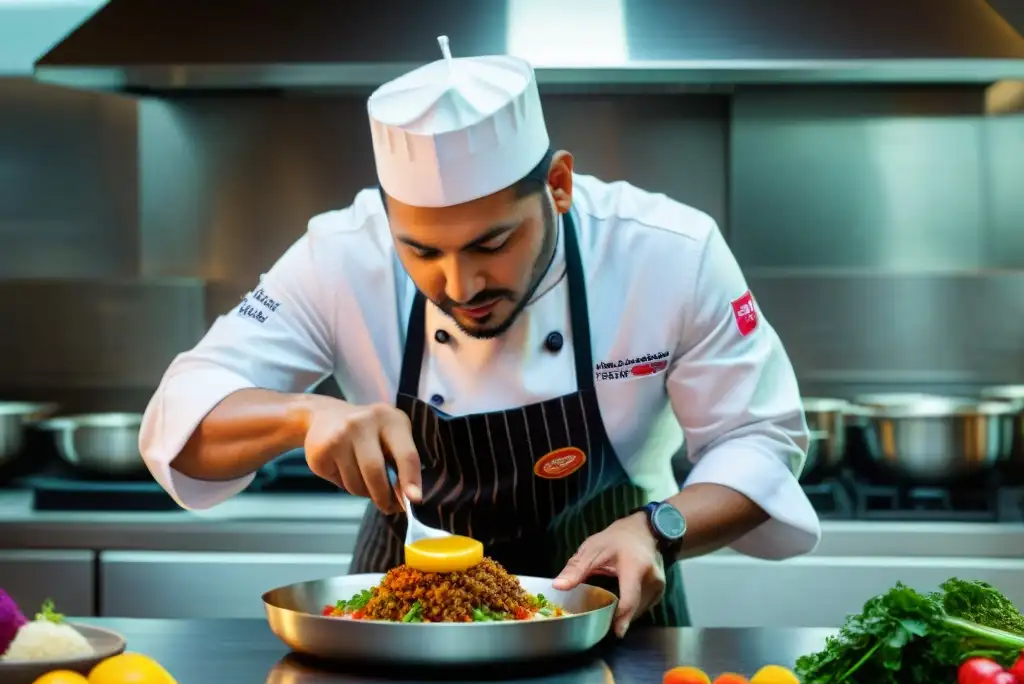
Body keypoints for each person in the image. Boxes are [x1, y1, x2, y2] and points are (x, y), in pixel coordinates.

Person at [139, 36, 820, 637]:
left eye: (491, 243)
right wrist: (301, 413)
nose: (460, 285)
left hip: (618, 625)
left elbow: (760, 439)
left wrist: (660, 529)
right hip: (403, 636)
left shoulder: (669, 252)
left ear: (557, 185)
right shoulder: (340, 256)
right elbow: (182, 415)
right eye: (422, 252)